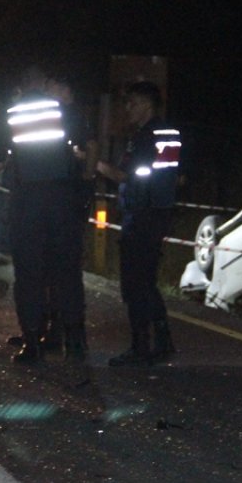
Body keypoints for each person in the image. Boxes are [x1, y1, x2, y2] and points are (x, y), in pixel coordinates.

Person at [0, 66, 90, 363]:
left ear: (21, 86)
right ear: (43, 84)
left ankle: (32, 342)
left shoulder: (10, 114)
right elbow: (85, 146)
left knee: (30, 274)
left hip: (28, 201)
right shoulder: (63, 111)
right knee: (67, 272)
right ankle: (74, 340)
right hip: (62, 200)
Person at [95, 81, 182, 366]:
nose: (127, 109)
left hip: (141, 214)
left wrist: (93, 162)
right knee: (147, 281)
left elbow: (124, 175)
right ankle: (163, 340)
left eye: (131, 103)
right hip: (160, 211)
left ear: (146, 104)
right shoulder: (170, 133)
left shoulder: (144, 137)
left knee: (134, 284)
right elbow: (179, 176)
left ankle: (140, 346)